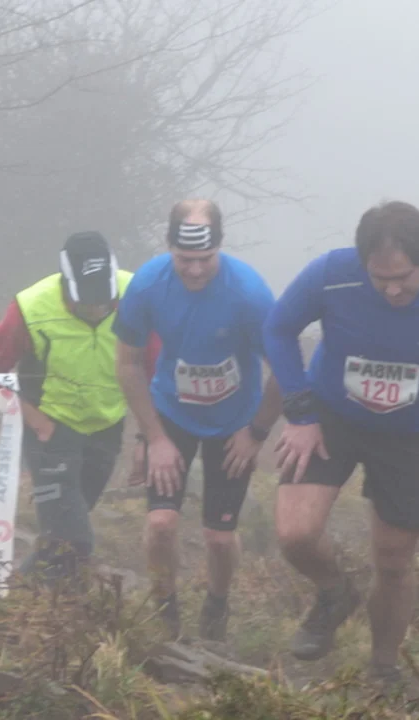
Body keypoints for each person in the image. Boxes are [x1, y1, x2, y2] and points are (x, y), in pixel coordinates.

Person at [262, 200, 419, 690]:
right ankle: (335, 592)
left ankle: (383, 669)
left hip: (407, 434)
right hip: (331, 419)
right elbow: (278, 328)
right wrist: (299, 414)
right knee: (295, 534)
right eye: (379, 278)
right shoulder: (331, 274)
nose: (392, 289)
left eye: (403, 278)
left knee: (394, 561)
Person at [113, 198, 282, 641]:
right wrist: (152, 437)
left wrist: (256, 432)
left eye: (205, 259)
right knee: (161, 524)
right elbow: (128, 364)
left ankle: (217, 606)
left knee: (219, 537)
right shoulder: (148, 284)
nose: (194, 270)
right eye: (184, 258)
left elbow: (286, 369)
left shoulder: (249, 293)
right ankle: (163, 612)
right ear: (169, 247)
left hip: (235, 421)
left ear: (220, 246)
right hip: (173, 413)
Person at [0, 230, 152, 582]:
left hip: (106, 426)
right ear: (66, 284)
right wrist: (33, 418)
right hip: (50, 430)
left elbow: (156, 370)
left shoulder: (140, 295)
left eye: (103, 300)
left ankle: (21, 594)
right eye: (86, 300)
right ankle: (63, 606)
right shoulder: (32, 307)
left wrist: (146, 437)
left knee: (61, 536)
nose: (96, 308)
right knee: (75, 540)